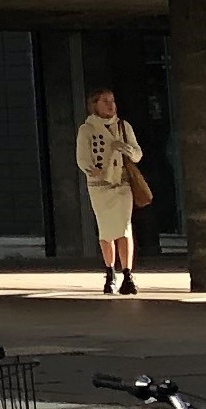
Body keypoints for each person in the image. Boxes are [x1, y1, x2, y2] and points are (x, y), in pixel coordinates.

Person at [75, 86, 144, 295]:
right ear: (94, 105)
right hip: (100, 187)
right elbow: (82, 158)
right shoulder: (87, 129)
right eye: (105, 101)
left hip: (121, 185)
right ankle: (109, 272)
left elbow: (138, 154)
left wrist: (125, 149)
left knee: (124, 228)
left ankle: (128, 274)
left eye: (112, 101)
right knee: (106, 230)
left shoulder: (123, 127)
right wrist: (93, 170)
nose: (111, 105)